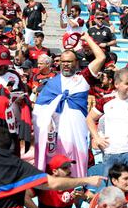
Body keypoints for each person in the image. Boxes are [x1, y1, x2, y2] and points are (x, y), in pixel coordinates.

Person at [33, 33, 106, 178]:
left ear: (76, 63)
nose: (65, 64)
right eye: (63, 61)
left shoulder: (83, 79)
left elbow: (101, 58)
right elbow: (39, 109)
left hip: (77, 132)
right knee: (56, 166)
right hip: (57, 134)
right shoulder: (52, 84)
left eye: (69, 61)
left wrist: (88, 39)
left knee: (77, 165)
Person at [24, 154, 89, 208]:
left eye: (69, 167)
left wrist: (84, 197)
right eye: (65, 168)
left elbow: (94, 198)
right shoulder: (44, 184)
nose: (69, 171)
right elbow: (24, 197)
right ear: (55, 171)